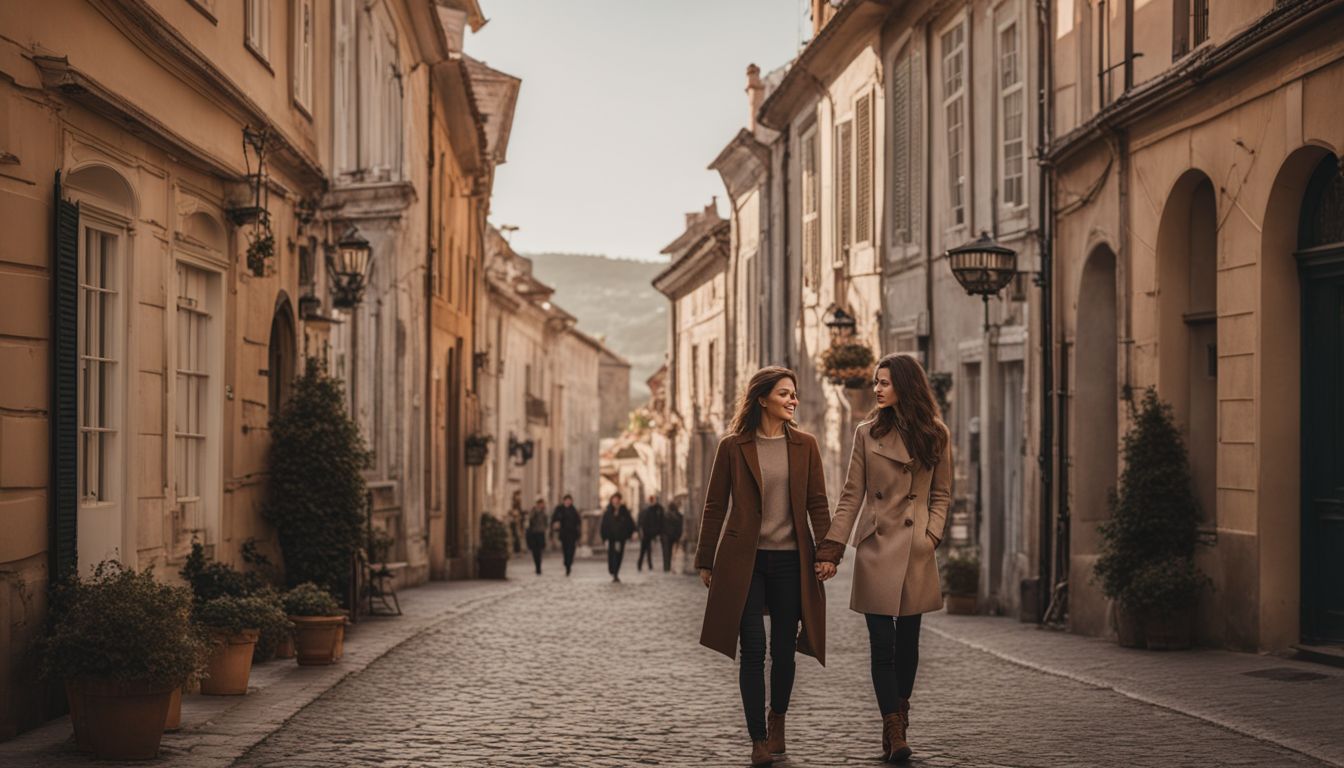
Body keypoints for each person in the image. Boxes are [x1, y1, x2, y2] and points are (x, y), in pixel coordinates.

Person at [814, 353, 953, 763]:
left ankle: (900, 712)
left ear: (905, 386)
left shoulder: (936, 434)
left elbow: (942, 493)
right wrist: (832, 547)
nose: (876, 389)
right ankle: (894, 727)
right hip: (877, 547)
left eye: (884, 382)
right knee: (881, 644)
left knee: (908, 644)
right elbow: (851, 494)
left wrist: (931, 535)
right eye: (875, 382)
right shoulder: (866, 432)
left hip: (915, 549)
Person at [696, 366, 832, 767]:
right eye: (785, 394)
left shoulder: (806, 445)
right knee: (752, 648)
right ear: (762, 399)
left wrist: (826, 552)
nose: (793, 400)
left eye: (794, 394)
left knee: (784, 652)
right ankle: (757, 739)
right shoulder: (733, 446)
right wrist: (706, 560)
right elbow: (715, 504)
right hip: (745, 562)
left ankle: (778, 720)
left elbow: (818, 504)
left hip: (792, 561)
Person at [599, 493, 635, 582]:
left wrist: (633, 532)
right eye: (614, 499)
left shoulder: (624, 511)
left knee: (618, 556)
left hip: (620, 538)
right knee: (611, 556)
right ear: (611, 501)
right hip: (611, 538)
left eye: (617, 499)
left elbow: (630, 523)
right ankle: (612, 570)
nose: (615, 501)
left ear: (619, 500)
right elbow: (604, 525)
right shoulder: (608, 512)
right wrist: (604, 538)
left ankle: (616, 574)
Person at [550, 493, 583, 576]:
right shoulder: (559, 509)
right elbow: (554, 519)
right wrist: (555, 525)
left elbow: (578, 522)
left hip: (572, 534)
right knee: (565, 550)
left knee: (571, 550)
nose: (568, 502)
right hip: (563, 533)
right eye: (566, 500)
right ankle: (567, 564)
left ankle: (569, 563)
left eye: (569, 500)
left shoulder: (573, 510)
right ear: (564, 501)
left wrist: (579, 534)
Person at [636, 495, 664, 572]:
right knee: (644, 550)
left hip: (649, 533)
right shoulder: (647, 511)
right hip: (646, 534)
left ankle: (647, 565)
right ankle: (642, 565)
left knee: (647, 550)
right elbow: (641, 522)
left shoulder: (655, 509)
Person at [525, 498, 549, 575]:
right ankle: (537, 566)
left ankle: (539, 567)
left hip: (541, 533)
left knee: (540, 551)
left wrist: (545, 529)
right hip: (534, 534)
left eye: (543, 504)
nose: (542, 505)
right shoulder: (533, 511)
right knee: (535, 551)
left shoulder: (544, 512)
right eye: (541, 504)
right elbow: (530, 519)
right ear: (538, 504)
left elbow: (546, 522)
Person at [661, 502, 683, 573]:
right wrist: (679, 536)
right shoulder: (679, 516)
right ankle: (670, 567)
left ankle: (667, 567)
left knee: (667, 553)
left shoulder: (665, 515)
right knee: (672, 552)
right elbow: (680, 527)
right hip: (674, 536)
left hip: (666, 536)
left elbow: (662, 526)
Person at [508, 491, 524, 555]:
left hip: (518, 521)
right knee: (515, 535)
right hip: (514, 521)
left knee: (518, 535)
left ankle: (518, 549)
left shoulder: (518, 503)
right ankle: (516, 550)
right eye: (518, 495)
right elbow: (512, 512)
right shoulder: (514, 503)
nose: (519, 497)